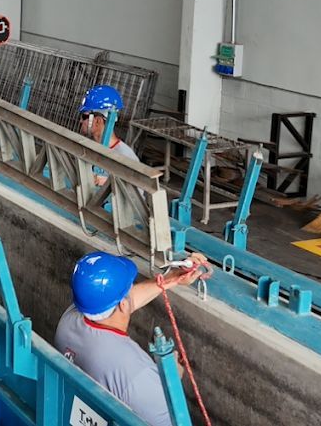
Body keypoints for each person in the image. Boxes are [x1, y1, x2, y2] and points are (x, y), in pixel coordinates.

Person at [54, 251, 208, 426]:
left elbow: (125, 300)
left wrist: (172, 278)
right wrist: (172, 379)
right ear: (123, 304)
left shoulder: (69, 319)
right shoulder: (135, 372)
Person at [80, 84, 150, 215]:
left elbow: (137, 200)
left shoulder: (125, 156)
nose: (80, 121)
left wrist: (110, 184)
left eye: (84, 116)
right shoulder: (90, 148)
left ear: (97, 121)